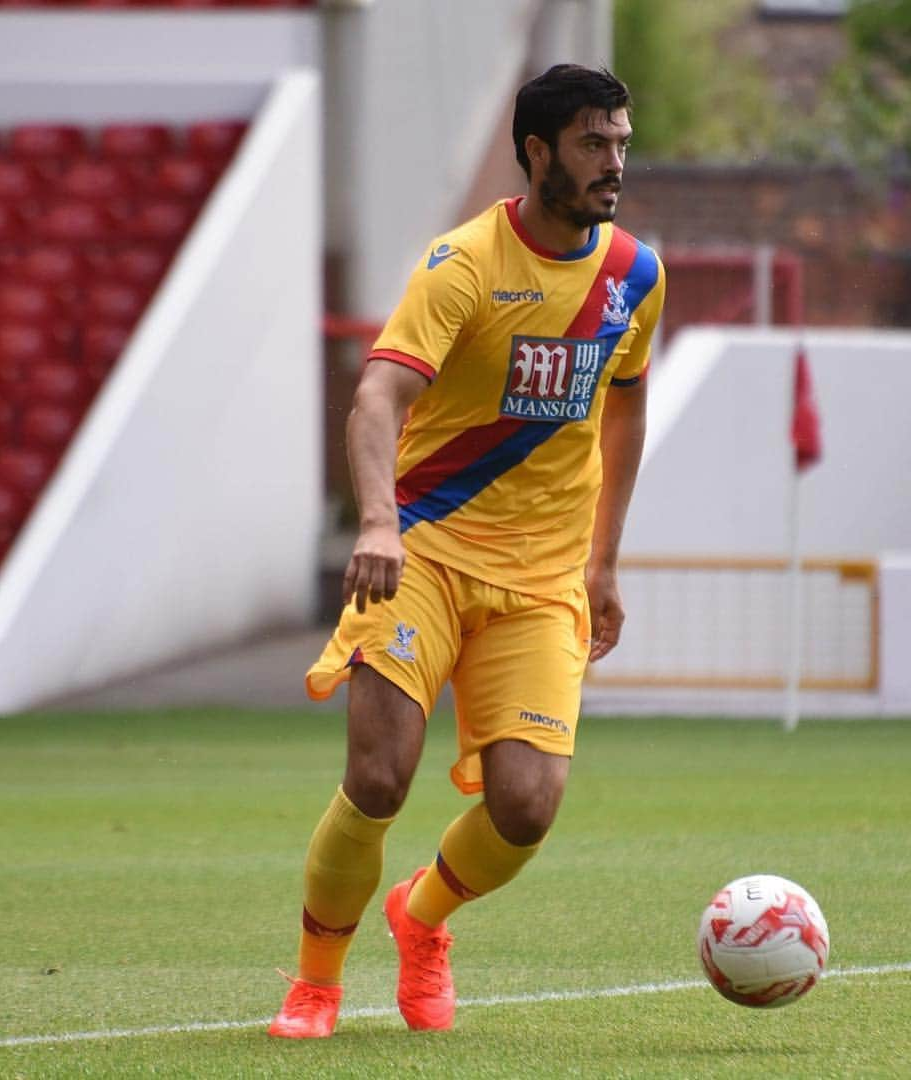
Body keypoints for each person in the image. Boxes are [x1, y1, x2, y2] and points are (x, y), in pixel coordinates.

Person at [269, 62, 666, 1039]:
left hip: (539, 580)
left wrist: (603, 561)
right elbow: (376, 398)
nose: (613, 163)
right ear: (536, 153)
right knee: (379, 777)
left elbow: (625, 412)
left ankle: (423, 917)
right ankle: (316, 981)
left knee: (527, 807)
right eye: (591, 143)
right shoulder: (462, 264)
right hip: (424, 555)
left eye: (620, 141)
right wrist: (374, 523)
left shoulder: (636, 278)